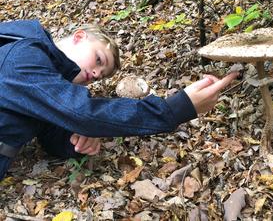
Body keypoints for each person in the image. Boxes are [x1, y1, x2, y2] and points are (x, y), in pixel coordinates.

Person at [0, 19, 238, 180]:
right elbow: (83, 112)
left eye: (99, 76)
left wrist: (75, 141)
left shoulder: (47, 82)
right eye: (99, 60)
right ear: (79, 37)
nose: (94, 74)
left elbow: (51, 137)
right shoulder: (23, 57)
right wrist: (176, 108)